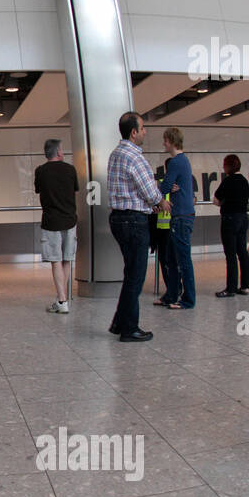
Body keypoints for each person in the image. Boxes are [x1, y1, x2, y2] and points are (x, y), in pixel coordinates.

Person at [107, 112, 170, 342]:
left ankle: (118, 323)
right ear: (133, 132)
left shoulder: (116, 153)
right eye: (142, 128)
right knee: (135, 276)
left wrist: (149, 203)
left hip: (119, 219)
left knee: (130, 273)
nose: (145, 132)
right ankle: (129, 329)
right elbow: (149, 189)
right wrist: (160, 202)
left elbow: (130, 189)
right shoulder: (134, 157)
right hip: (133, 222)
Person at [34, 138, 78, 314]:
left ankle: (62, 300)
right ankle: (62, 300)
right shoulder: (70, 170)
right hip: (70, 219)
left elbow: (38, 190)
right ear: (59, 152)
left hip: (51, 220)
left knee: (56, 260)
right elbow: (75, 191)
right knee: (67, 258)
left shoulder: (41, 171)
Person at [157, 127, 195, 309]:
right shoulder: (183, 161)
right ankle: (171, 295)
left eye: (165, 140)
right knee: (171, 259)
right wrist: (168, 184)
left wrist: (162, 184)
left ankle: (188, 300)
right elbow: (168, 186)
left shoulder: (176, 162)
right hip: (181, 216)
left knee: (182, 260)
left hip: (180, 217)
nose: (163, 143)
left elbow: (164, 188)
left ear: (171, 141)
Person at [212, 154, 249, 297]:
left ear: (229, 166)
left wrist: (224, 203)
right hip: (243, 218)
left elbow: (216, 200)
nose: (223, 167)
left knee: (230, 254)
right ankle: (246, 285)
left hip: (230, 219)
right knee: (242, 252)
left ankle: (231, 288)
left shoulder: (228, 181)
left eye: (224, 164)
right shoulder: (244, 181)